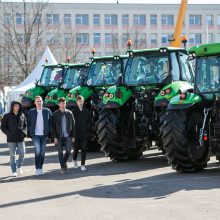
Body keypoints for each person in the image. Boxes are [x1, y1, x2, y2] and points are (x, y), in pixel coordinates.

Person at [27, 96, 52, 176]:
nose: (39, 102)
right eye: (37, 101)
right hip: (36, 135)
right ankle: (37, 168)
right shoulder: (31, 112)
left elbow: (51, 122)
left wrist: (49, 132)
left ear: (42, 102)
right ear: (34, 103)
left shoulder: (47, 111)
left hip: (44, 135)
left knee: (42, 152)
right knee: (38, 151)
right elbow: (28, 123)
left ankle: (40, 168)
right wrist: (30, 133)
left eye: (40, 101)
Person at [1, 101, 26, 177]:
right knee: (12, 155)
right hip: (11, 139)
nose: (17, 107)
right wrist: (9, 133)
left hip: (20, 138)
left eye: (18, 106)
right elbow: (3, 127)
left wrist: (24, 133)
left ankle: (19, 166)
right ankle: (14, 170)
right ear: (12, 107)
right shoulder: (7, 116)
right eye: (16, 106)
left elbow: (25, 126)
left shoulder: (22, 115)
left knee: (22, 153)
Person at [52, 97, 75, 174]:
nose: (63, 104)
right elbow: (53, 127)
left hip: (68, 135)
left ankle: (63, 163)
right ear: (59, 104)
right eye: (62, 103)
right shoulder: (55, 114)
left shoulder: (69, 113)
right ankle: (62, 168)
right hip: (59, 136)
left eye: (64, 103)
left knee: (68, 151)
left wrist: (73, 136)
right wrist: (54, 137)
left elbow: (73, 125)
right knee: (60, 152)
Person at [72, 95, 91, 171]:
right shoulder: (73, 112)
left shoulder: (87, 112)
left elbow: (89, 121)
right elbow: (72, 124)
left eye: (82, 101)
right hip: (76, 134)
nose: (81, 103)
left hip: (84, 134)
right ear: (77, 102)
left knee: (84, 149)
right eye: (79, 101)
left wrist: (87, 129)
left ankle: (83, 165)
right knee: (76, 149)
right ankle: (74, 160)